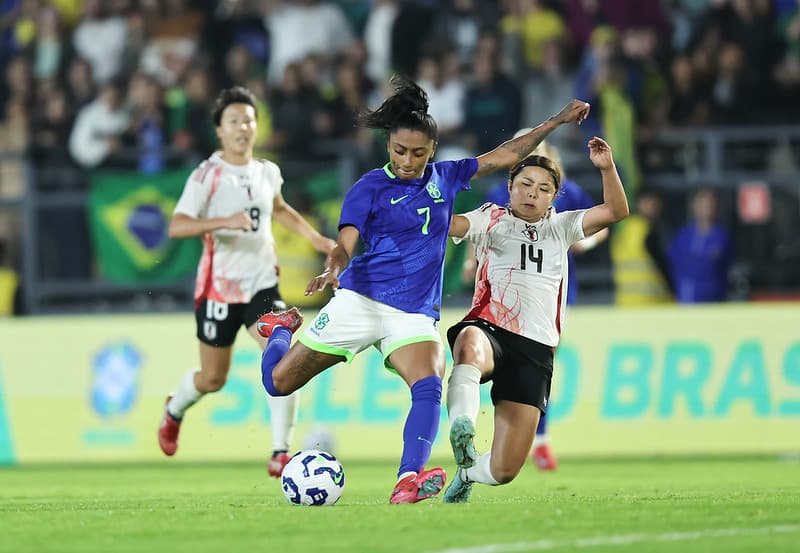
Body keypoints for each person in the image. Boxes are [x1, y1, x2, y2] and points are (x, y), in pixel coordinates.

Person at [256, 75, 590, 504]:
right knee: (279, 383)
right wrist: (332, 269)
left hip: (413, 314)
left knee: (430, 382)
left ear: (432, 150)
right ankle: (281, 329)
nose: (407, 161)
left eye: (418, 153)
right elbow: (345, 243)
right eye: (399, 151)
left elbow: (508, 153)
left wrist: (557, 121)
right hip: (360, 300)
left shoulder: (447, 177)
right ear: (388, 146)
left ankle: (408, 479)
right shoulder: (369, 187)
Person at [157, 86, 336, 477]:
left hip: (262, 285)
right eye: (234, 121)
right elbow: (177, 226)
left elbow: (280, 209)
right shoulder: (207, 175)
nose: (243, 128)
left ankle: (280, 452)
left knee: (283, 358)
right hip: (219, 289)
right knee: (212, 379)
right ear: (219, 130)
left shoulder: (267, 171)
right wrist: (223, 221)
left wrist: (318, 240)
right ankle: (174, 410)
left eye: (249, 121)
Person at [443, 136, 628, 503]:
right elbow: (449, 225)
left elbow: (616, 211)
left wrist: (607, 168)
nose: (532, 193)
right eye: (525, 184)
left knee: (504, 471)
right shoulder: (490, 218)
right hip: (491, 329)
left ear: (554, 197)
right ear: (510, 187)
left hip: (535, 347)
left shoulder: (562, 226)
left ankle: (468, 472)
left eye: (543, 189)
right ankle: (462, 423)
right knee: (468, 344)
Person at [667, 188, 733, 303]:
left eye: (710, 205)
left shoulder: (722, 237)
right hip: (683, 299)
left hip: (712, 301)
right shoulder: (683, 236)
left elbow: (720, 266)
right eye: (702, 204)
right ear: (694, 206)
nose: (707, 208)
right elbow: (673, 264)